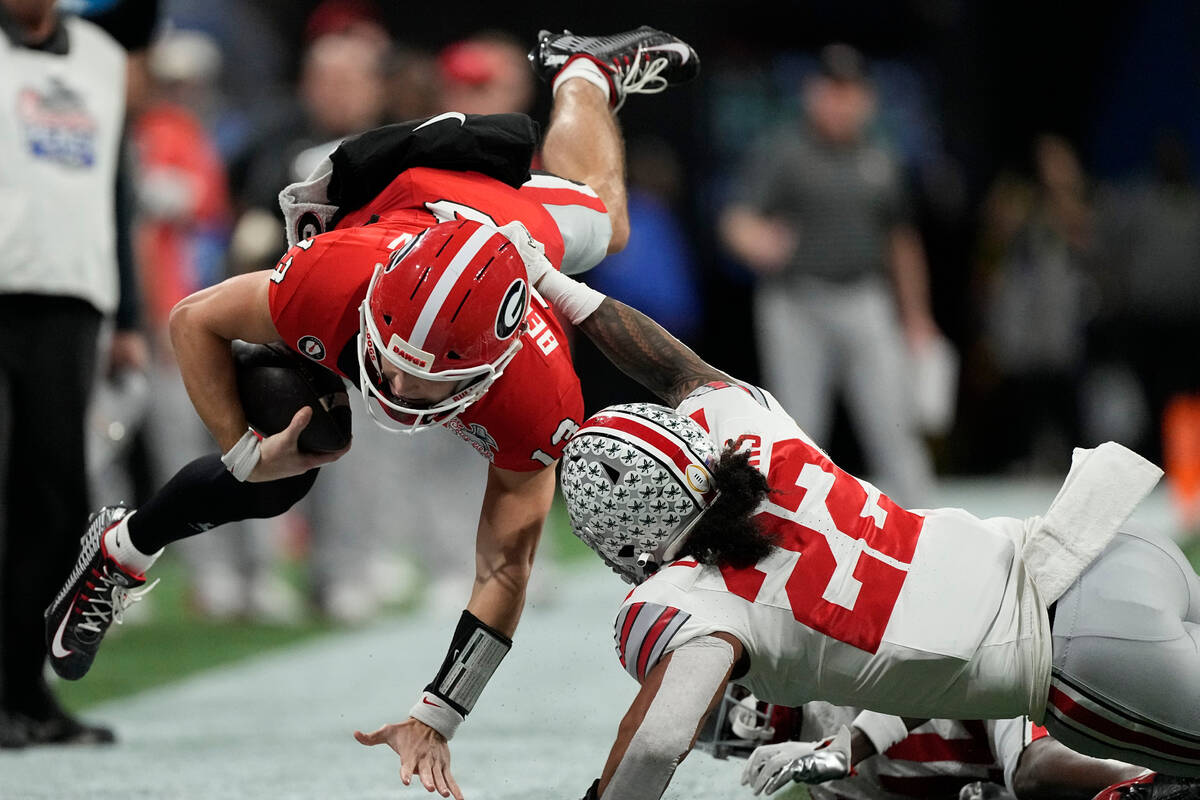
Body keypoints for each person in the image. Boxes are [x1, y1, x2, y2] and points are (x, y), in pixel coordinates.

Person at [43, 24, 700, 798]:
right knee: (291, 449)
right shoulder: (332, 281)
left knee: (608, 223)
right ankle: (122, 550)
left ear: (500, 358)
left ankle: (583, 71)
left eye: (429, 388)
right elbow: (194, 319)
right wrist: (243, 452)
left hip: (515, 218)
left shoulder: (540, 389)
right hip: (388, 199)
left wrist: (440, 712)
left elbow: (501, 566)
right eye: (390, 368)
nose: (399, 394)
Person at [520, 256, 1200, 798]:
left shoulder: (695, 601)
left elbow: (662, 738)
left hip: (1083, 658)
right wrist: (554, 284)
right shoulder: (749, 436)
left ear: (631, 543)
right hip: (1107, 543)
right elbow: (674, 368)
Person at [0, 0, 148, 747]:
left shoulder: (98, 53)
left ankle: (25, 691)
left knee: (56, 504)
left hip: (71, 297)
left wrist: (127, 313)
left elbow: (116, 188)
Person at [718, 42, 940, 506]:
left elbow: (902, 243)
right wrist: (754, 238)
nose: (839, 101)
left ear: (866, 99)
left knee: (893, 422)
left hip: (866, 300)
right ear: (812, 93)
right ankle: (792, 528)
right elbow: (735, 219)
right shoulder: (785, 151)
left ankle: (921, 524)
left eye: (849, 91)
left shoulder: (880, 158)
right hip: (796, 304)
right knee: (798, 427)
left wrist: (916, 315)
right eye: (830, 90)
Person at [699, 692, 1147, 798]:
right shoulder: (822, 784)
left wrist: (834, 755)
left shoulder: (814, 652)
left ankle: (1143, 780)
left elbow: (918, 682)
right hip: (986, 769)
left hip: (983, 694)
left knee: (1029, 768)